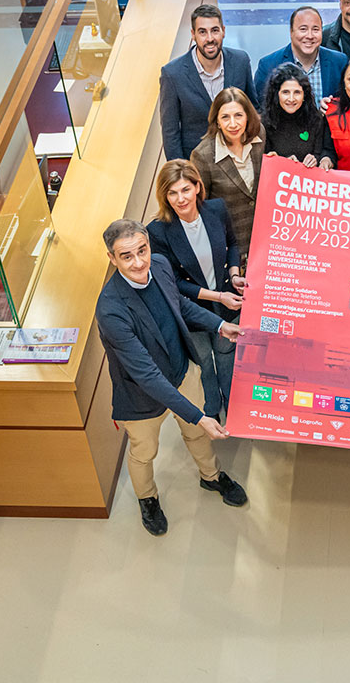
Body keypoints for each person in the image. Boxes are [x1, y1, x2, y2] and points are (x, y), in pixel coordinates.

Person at [95, 219, 248, 536]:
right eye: (127, 256)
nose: (139, 262)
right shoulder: (110, 309)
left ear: (149, 244)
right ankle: (147, 500)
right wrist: (197, 415)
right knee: (143, 453)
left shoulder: (161, 264)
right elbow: (146, 373)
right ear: (112, 258)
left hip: (182, 371)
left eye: (142, 250)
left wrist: (219, 326)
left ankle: (211, 476)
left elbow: (180, 305)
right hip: (141, 395)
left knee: (196, 435)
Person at [146, 160, 246, 420]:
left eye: (185, 190)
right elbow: (174, 281)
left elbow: (233, 244)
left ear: (197, 187)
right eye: (172, 193)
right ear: (164, 196)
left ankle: (233, 405)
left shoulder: (217, 209)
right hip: (192, 312)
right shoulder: (157, 231)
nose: (180, 199)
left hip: (227, 304)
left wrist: (234, 274)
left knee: (226, 360)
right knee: (204, 365)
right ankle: (211, 409)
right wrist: (216, 296)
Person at [159, 4, 258, 160]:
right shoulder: (173, 74)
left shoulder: (240, 61)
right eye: (202, 32)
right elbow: (170, 131)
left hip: (238, 158)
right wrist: (181, 174)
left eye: (215, 30)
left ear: (223, 31)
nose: (210, 39)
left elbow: (253, 109)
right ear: (193, 34)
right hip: (197, 163)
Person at [190, 88, 264, 263]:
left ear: (248, 116)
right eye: (225, 117)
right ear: (217, 120)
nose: (233, 124)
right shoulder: (203, 155)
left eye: (238, 115)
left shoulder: (260, 135)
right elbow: (201, 207)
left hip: (264, 241)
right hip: (232, 249)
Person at [255, 6, 349, 105]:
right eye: (303, 29)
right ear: (291, 32)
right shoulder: (268, 65)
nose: (309, 36)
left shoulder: (339, 62)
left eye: (315, 29)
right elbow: (259, 109)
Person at [261, 63, 335, 169]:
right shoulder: (265, 124)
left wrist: (315, 160)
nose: (291, 99)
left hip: (308, 182)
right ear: (276, 94)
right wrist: (281, 161)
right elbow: (262, 163)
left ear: (304, 95)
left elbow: (323, 153)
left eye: (297, 92)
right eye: (286, 92)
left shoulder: (316, 119)